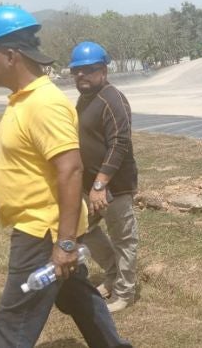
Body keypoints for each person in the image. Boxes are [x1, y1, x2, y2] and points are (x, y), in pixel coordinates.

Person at [0, 5, 131, 347]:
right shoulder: (21, 101)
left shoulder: (45, 103)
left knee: (12, 322)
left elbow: (70, 170)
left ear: (11, 55)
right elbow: (23, 166)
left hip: (42, 231)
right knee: (78, 297)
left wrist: (66, 243)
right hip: (44, 227)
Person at [70, 41, 139, 313]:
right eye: (76, 70)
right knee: (82, 229)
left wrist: (100, 184)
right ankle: (113, 274)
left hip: (114, 186)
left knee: (124, 238)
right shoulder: (85, 99)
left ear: (104, 70)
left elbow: (119, 143)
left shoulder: (113, 99)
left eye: (88, 69)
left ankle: (124, 292)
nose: (81, 75)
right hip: (90, 185)